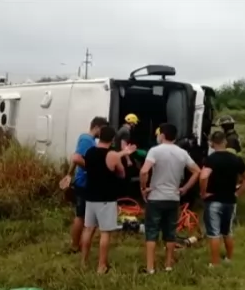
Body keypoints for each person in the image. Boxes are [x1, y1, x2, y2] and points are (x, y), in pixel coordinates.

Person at [139, 123, 201, 274]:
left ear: (162, 135)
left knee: (152, 232)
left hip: (156, 197)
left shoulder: (155, 151)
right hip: (173, 198)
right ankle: (168, 266)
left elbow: (144, 171)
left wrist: (143, 188)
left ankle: (150, 268)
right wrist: (185, 188)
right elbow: (197, 171)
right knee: (170, 233)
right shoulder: (182, 153)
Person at [79, 126, 137, 274]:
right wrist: (124, 155)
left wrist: (124, 152)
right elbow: (121, 173)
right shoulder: (112, 154)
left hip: (90, 197)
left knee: (88, 229)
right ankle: (101, 266)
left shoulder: (90, 151)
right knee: (105, 232)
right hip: (106, 198)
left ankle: (83, 262)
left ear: (99, 136)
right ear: (112, 139)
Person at [200, 131, 245, 267]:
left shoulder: (211, 159)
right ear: (225, 142)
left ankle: (215, 262)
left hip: (214, 200)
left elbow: (204, 176)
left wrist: (204, 192)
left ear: (211, 143)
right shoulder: (236, 159)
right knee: (227, 231)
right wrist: (238, 193)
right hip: (230, 200)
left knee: (214, 233)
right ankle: (229, 258)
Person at [59, 116, 108, 254]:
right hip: (85, 183)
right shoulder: (87, 140)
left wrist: (69, 174)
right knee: (81, 216)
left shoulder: (86, 138)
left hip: (83, 181)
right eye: (102, 129)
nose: (103, 133)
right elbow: (77, 158)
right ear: (97, 127)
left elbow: (76, 157)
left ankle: (78, 244)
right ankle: (75, 245)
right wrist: (94, 167)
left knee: (83, 215)